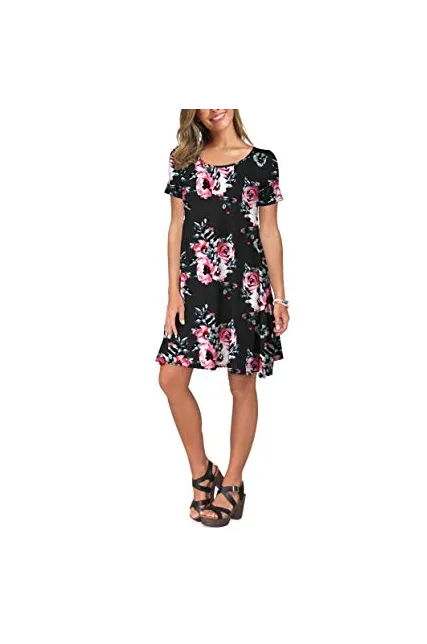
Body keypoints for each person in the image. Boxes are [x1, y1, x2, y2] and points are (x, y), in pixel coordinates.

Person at [156, 107, 289, 527]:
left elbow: (269, 230)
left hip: (246, 284)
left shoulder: (262, 161)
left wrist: (280, 298)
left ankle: (232, 483)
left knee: (241, 384)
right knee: (170, 378)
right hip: (196, 285)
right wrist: (173, 294)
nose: (215, 107)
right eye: (204, 99)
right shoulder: (183, 159)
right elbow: (176, 226)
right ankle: (202, 473)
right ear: (192, 111)